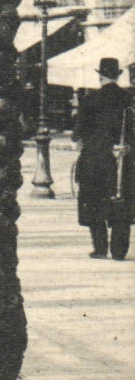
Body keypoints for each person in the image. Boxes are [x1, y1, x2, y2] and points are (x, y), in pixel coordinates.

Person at [72, 57, 131, 260]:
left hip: (94, 159)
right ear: (118, 75)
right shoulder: (128, 99)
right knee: (121, 202)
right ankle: (119, 250)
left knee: (94, 202)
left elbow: (78, 133)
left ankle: (100, 248)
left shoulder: (90, 99)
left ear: (100, 76)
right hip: (122, 158)